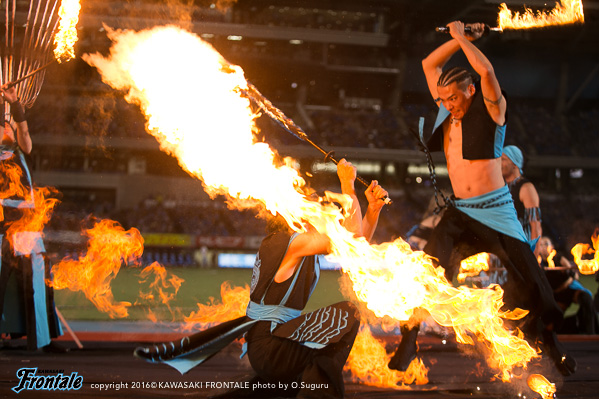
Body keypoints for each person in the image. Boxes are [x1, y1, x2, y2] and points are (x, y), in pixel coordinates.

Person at [388, 21, 575, 376]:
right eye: (442, 99)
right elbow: (430, 65)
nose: (447, 105)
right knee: (425, 273)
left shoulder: (492, 109)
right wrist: (463, 39)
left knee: (536, 287)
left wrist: (461, 37)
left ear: (471, 90)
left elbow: (486, 69)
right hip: (462, 215)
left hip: (498, 213)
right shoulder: (447, 107)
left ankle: (551, 346)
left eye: (454, 98)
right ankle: (408, 341)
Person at [135, 159, 388, 399]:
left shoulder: (293, 245)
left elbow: (355, 245)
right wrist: (347, 185)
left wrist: (373, 211)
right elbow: (352, 236)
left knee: (331, 327)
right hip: (270, 347)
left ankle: (297, 385)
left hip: (269, 345)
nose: (317, 210)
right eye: (309, 207)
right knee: (346, 315)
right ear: (294, 219)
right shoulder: (290, 243)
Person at [0, 85, 62, 350]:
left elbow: (25, 135)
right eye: (4, 125)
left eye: (9, 126)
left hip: (27, 227)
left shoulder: (21, 151)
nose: (8, 128)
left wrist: (15, 105)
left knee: (36, 281)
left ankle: (42, 340)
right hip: (2, 227)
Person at [537, 236, 596, 334]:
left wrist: (566, 284)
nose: (543, 247)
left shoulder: (558, 258)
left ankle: (591, 335)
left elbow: (574, 275)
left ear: (551, 246)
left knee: (586, 299)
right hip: (553, 296)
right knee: (551, 325)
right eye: (541, 244)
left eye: (546, 244)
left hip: (568, 291)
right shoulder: (538, 262)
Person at [501, 145, 542, 255]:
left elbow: (535, 225)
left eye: (503, 159)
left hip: (521, 250)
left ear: (515, 163)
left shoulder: (526, 188)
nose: (499, 163)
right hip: (504, 251)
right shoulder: (501, 188)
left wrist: (534, 255)